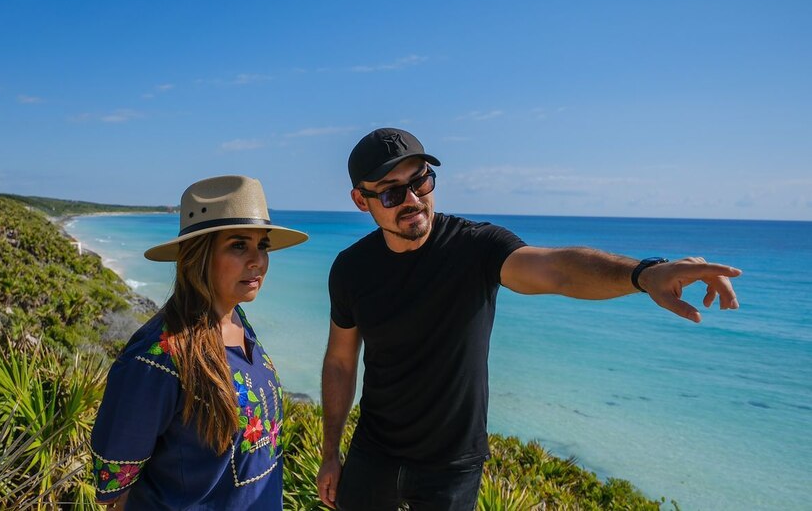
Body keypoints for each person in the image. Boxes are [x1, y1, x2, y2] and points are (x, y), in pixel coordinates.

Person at [315, 128, 741, 511]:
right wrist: (330, 452)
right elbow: (340, 361)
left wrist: (643, 274)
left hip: (452, 465)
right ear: (361, 200)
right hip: (374, 453)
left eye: (420, 181)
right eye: (391, 193)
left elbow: (556, 269)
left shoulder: (475, 247)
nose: (412, 200)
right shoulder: (352, 269)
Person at [90, 175, 308, 510]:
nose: (257, 260)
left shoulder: (238, 321)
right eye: (238, 245)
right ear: (198, 255)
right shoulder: (157, 356)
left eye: (261, 245)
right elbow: (115, 485)